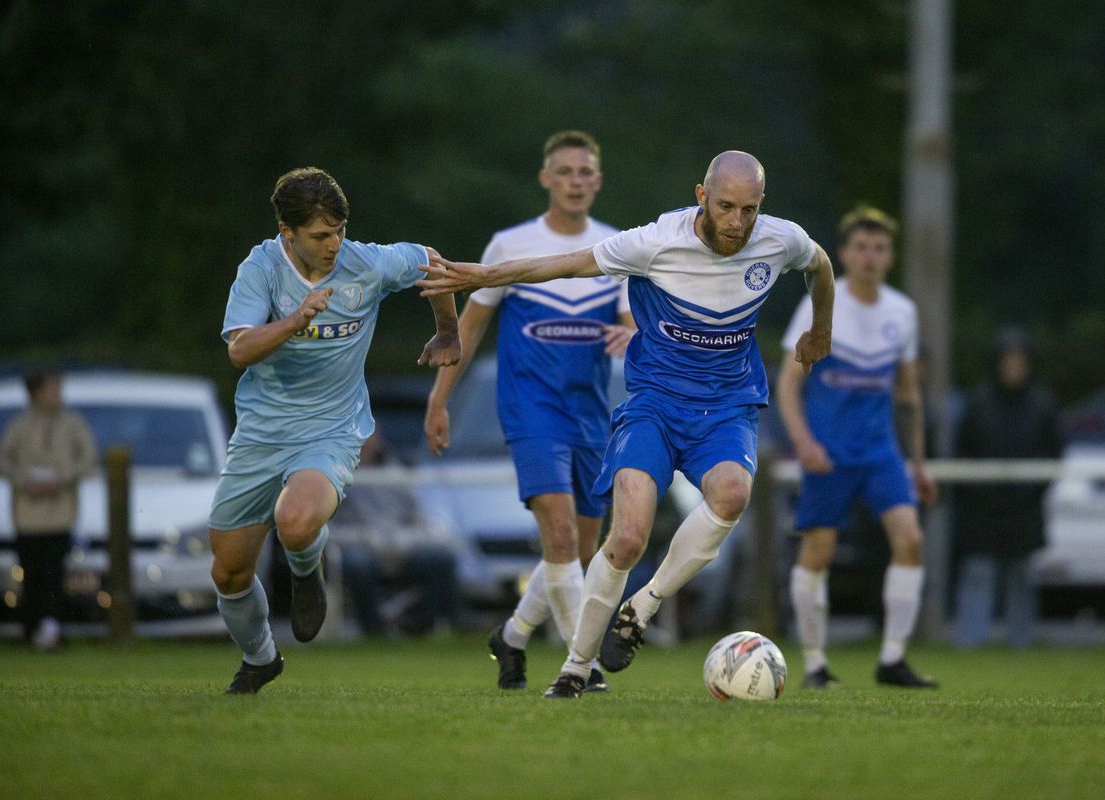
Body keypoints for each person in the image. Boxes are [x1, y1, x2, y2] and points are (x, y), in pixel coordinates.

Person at [420, 151, 835, 698]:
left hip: (727, 406)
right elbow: (564, 264)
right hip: (654, 405)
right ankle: (573, 668)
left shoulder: (780, 240)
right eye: (727, 207)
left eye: (750, 210)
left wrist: (821, 330)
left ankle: (643, 607)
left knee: (733, 494)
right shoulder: (655, 242)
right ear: (701, 196)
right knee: (626, 538)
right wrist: (485, 275)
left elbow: (821, 267)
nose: (737, 223)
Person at [209, 167, 461, 694]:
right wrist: (295, 320)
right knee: (229, 573)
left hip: (332, 428)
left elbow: (433, 263)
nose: (333, 245)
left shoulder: (364, 263)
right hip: (261, 431)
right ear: (287, 232)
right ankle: (260, 658)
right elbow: (239, 351)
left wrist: (445, 331)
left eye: (339, 231)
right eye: (320, 236)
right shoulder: (260, 270)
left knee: (296, 522)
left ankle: (307, 567)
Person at [424, 130, 634, 693]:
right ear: (546, 179)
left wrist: (628, 334)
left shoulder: (614, 248)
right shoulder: (510, 244)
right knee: (561, 538)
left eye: (584, 172)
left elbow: (633, 324)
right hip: (530, 411)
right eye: (564, 171)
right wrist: (439, 399)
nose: (574, 181)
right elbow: (466, 327)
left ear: (597, 180)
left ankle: (512, 636)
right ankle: (580, 668)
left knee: (580, 552)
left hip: (592, 416)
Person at [778, 205, 940, 689]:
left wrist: (919, 463)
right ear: (844, 254)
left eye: (880, 248)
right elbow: (788, 384)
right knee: (819, 551)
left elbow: (908, 395)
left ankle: (892, 659)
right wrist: (803, 442)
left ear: (890, 256)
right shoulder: (820, 304)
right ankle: (814, 664)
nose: (870, 257)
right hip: (829, 453)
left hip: (880, 452)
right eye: (862, 248)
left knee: (910, 539)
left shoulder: (901, 311)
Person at [953, 326, 1060, 649]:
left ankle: (1021, 645)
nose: (1013, 368)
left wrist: (1029, 491)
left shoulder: (1042, 406)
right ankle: (969, 645)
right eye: (1007, 361)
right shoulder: (979, 403)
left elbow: (1054, 455)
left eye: (1019, 361)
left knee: (1023, 580)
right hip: (982, 509)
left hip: (1024, 509)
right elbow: (962, 453)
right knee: (977, 576)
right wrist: (981, 493)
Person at [0, 371, 98, 650]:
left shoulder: (72, 425)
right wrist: (23, 479)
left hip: (59, 515)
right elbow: (0, 460)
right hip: (27, 517)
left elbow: (88, 460)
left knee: (54, 574)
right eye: (52, 390)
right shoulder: (19, 426)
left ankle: (52, 627)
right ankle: (31, 629)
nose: (58, 396)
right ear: (35, 393)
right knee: (32, 575)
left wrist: (60, 478)